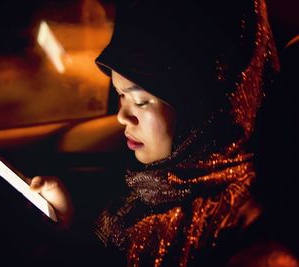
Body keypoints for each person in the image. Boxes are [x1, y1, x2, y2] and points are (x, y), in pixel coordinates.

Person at [29, 0, 298, 266]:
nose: (122, 116)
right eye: (120, 95)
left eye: (142, 101)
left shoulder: (245, 238)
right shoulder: (154, 188)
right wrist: (66, 222)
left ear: (199, 111)